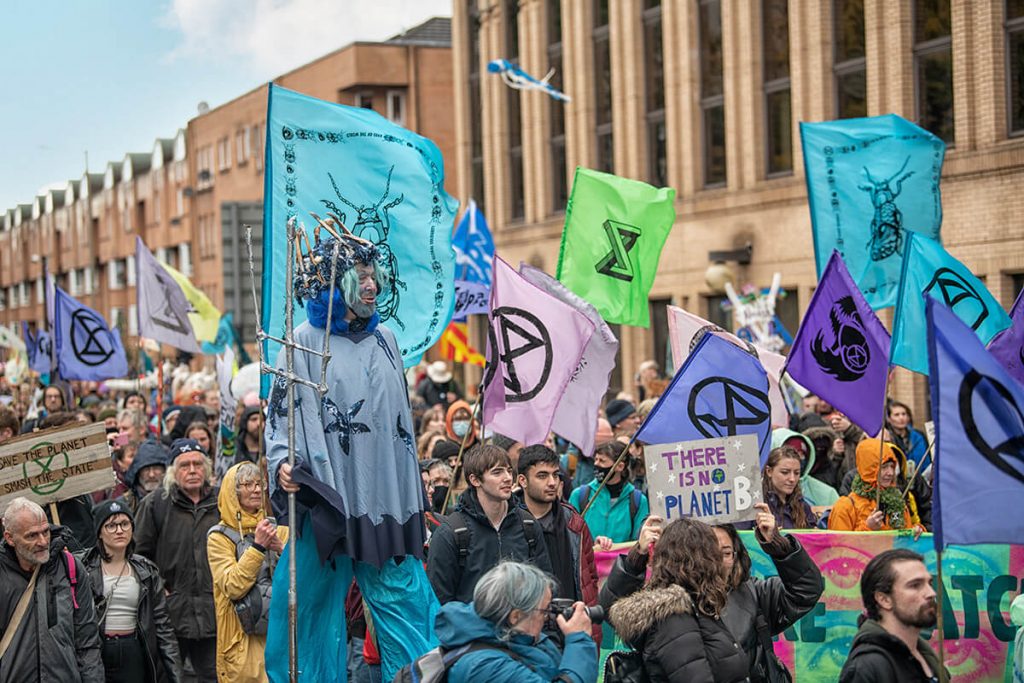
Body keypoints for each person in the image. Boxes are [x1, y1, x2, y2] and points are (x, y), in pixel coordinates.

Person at [267, 233, 439, 682]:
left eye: (374, 277)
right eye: (361, 276)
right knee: (307, 609)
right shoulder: (302, 342)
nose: (372, 286)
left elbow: (401, 423)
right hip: (327, 492)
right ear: (335, 281)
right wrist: (283, 462)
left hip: (385, 499)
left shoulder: (387, 340)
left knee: (407, 605)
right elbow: (282, 415)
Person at [601, 507, 823, 681]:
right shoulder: (665, 609)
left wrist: (778, 544)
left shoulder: (753, 593)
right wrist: (637, 556)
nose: (715, 562)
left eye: (725, 553)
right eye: (708, 553)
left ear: (737, 554)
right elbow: (616, 608)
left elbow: (806, 590)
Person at [606, 517, 750, 682]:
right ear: (702, 560)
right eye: (713, 552)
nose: (719, 560)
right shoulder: (675, 621)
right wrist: (638, 554)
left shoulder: (696, 607)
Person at [134, 438, 221, 681]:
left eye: (197, 464)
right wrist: (159, 588)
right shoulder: (155, 504)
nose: (192, 470)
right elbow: (139, 556)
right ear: (173, 471)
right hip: (171, 614)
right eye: (184, 465)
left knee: (213, 676)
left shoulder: (221, 500)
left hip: (214, 611)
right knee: (170, 677)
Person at [433, 561, 597, 683]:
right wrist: (579, 640)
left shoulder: (515, 637)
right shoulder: (485, 667)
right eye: (544, 610)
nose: (548, 617)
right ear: (515, 617)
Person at [427, 444, 552, 604]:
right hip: (472, 628)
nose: (507, 477)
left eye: (508, 470)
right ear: (475, 480)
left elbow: (545, 584)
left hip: (522, 627)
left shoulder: (527, 524)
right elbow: (440, 602)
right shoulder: (452, 533)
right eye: (497, 472)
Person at [0, 497, 104, 682]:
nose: (42, 541)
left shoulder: (70, 567)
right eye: (32, 535)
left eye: (45, 532)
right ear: (9, 538)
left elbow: (87, 643)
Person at [79, 499, 182, 683]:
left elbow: (162, 624)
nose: (119, 530)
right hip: (97, 651)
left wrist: (175, 673)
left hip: (133, 650)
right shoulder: (83, 568)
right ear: (100, 533)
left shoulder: (146, 570)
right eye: (111, 526)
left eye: (125, 524)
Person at [208, 462, 288, 682]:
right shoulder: (218, 538)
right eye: (247, 484)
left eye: (259, 484)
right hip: (243, 644)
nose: (255, 489)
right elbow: (233, 586)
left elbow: (300, 579)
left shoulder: (279, 528)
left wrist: (281, 549)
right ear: (233, 492)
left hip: (280, 636)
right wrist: (258, 547)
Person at [516, 445, 600, 643]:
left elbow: (589, 579)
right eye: (542, 476)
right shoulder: (509, 523)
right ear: (522, 481)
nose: (552, 482)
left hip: (569, 630)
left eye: (556, 475)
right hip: (525, 634)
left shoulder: (574, 523)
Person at [839, 549, 946, 682]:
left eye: (929, 583)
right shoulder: (867, 667)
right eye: (915, 585)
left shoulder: (926, 655)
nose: (931, 593)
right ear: (884, 600)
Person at [829, 439, 922, 533]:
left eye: (892, 466)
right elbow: (839, 545)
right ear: (869, 469)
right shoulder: (845, 507)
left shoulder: (898, 503)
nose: (890, 473)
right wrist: (868, 527)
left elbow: (905, 541)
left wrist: (915, 531)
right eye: (884, 467)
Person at [568, 440, 649, 544]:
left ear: (620, 466)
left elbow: (639, 543)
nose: (596, 464)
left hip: (622, 559)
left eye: (602, 461)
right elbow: (570, 537)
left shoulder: (638, 501)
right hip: (588, 559)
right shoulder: (579, 495)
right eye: (595, 459)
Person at [770, 428, 839, 508]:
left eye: (802, 454)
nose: (792, 479)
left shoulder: (827, 493)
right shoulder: (757, 492)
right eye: (785, 472)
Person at [757, 446, 818, 529]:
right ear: (769, 471)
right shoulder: (756, 504)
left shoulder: (802, 505)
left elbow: (812, 538)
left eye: (797, 473)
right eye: (785, 472)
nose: (792, 479)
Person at [123, 440, 171, 514]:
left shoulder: (175, 500)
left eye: (156, 468)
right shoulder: (125, 503)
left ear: (165, 471)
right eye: (146, 469)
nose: (151, 475)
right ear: (137, 472)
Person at [886, 401, 928, 469]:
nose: (901, 418)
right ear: (889, 418)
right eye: (897, 415)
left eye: (904, 414)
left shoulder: (919, 436)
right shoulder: (887, 439)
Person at [827, 411, 865, 483]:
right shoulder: (831, 428)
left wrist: (849, 429)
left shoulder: (866, 422)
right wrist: (836, 454)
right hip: (842, 483)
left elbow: (869, 443)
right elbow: (829, 470)